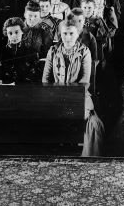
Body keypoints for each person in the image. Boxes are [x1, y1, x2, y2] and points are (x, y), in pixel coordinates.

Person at [42, 21, 103, 157]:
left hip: (79, 96)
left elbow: (85, 81)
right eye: (65, 34)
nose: (68, 37)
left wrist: (70, 96)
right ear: (59, 35)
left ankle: (87, 156)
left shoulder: (84, 51)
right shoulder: (53, 51)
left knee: (91, 122)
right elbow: (46, 80)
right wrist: (56, 94)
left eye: (71, 34)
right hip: (56, 95)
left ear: (77, 35)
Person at [0, 17, 39, 83]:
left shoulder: (32, 52)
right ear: (6, 34)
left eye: (16, 32)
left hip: (24, 90)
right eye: (10, 33)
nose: (13, 36)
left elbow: (34, 77)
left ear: (22, 31)